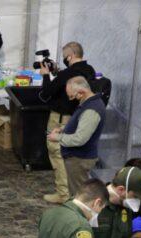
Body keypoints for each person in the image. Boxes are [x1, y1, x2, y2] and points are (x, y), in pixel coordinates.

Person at [39, 42, 96, 204]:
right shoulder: (89, 70)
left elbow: (46, 93)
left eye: (65, 56)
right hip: (78, 118)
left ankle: (63, 194)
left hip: (60, 118)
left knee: (57, 153)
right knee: (72, 157)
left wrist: (45, 75)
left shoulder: (68, 74)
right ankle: (76, 193)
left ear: (69, 56)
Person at [47, 76, 105, 197]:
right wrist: (63, 129)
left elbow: (80, 139)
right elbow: (81, 123)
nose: (71, 99)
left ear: (82, 92)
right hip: (78, 158)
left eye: (72, 96)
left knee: (79, 196)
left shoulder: (91, 110)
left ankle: (78, 215)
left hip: (80, 159)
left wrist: (58, 138)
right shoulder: (88, 104)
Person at [96, 166, 141, 238]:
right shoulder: (95, 204)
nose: (138, 201)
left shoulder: (125, 208)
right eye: (135, 196)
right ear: (121, 189)